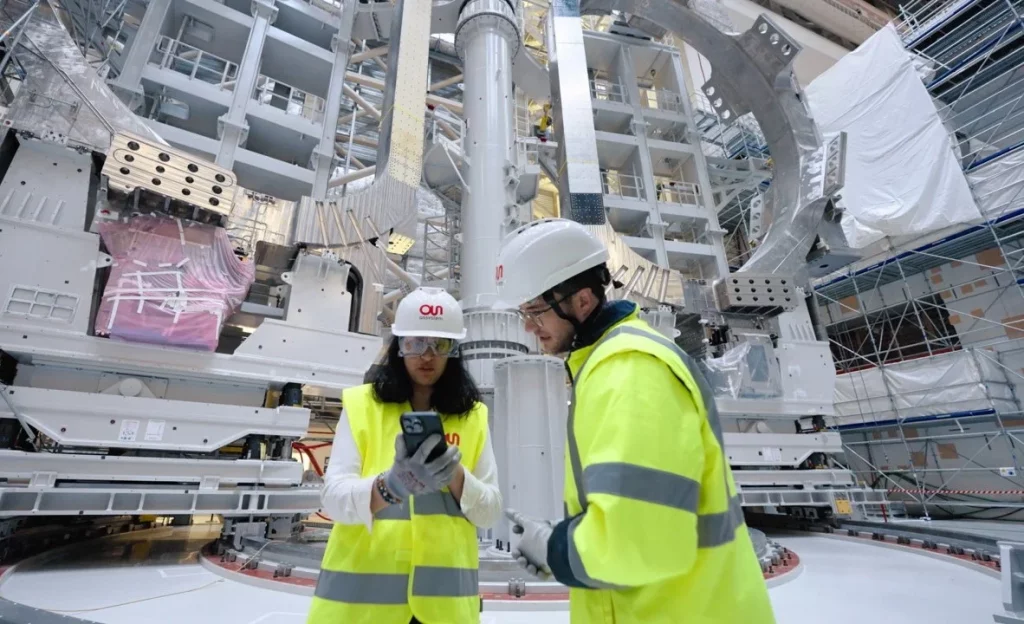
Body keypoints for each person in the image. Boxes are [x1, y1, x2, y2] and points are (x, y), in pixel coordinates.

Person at [495, 219, 775, 624]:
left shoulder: (629, 371)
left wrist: (556, 549)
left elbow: (638, 541)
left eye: (535, 311)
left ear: (583, 301)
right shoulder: (606, 366)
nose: (527, 326)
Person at [307, 287, 502, 624]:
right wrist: (389, 487)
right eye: (414, 343)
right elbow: (332, 500)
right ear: (398, 347)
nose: (426, 356)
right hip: (362, 607)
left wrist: (456, 476)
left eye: (439, 344)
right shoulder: (361, 405)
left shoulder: (473, 416)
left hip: (444, 608)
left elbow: (490, 512)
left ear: (454, 350)